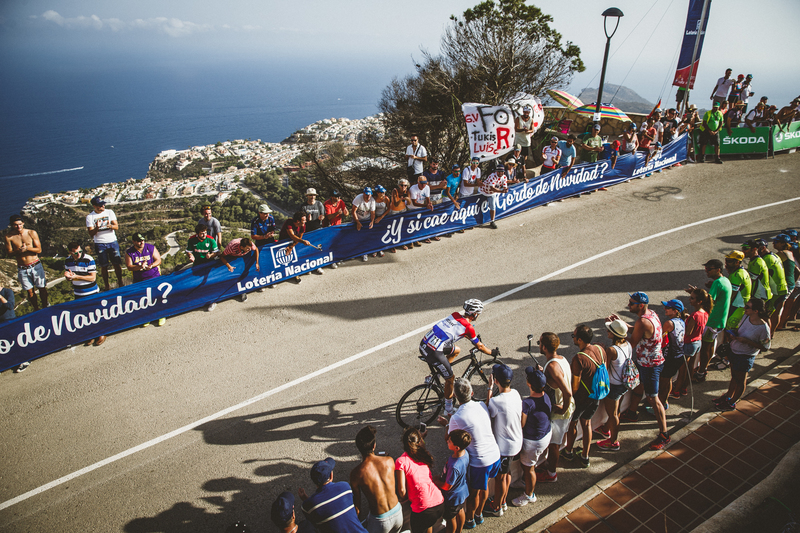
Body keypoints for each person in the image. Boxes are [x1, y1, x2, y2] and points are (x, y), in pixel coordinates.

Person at [420, 299, 495, 416]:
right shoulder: (468, 327)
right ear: (475, 314)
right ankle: (448, 409)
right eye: (478, 314)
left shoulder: (455, 315)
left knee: (457, 350)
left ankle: (437, 375)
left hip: (425, 343)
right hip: (434, 351)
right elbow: (479, 346)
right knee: (450, 379)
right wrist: (492, 352)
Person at [616, 292, 670, 450]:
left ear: (640, 305)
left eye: (631, 303)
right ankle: (632, 412)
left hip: (650, 365)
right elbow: (638, 330)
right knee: (638, 386)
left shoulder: (642, 321)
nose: (628, 305)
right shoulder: (651, 314)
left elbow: (631, 343)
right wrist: (624, 326)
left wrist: (617, 334)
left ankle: (664, 434)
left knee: (654, 399)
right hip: (647, 362)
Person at [445, 378, 501, 530]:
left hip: (480, 461)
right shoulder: (481, 405)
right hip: (495, 455)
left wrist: (446, 424)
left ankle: (470, 518)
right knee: (485, 487)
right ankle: (479, 514)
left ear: (455, 396)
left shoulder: (457, 417)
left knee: (474, 492)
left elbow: (449, 439)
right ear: (472, 392)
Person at [713, 298, 771, 412]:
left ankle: (731, 402)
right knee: (734, 376)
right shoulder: (746, 317)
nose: (745, 309)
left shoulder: (763, 328)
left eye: (748, 307)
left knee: (741, 380)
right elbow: (740, 329)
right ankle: (728, 396)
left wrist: (747, 341)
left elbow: (765, 347)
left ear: (756, 311)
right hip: (734, 350)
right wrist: (733, 333)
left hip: (745, 356)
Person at [561, 324, 605, 467]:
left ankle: (568, 451)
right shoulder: (599, 349)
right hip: (597, 393)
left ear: (580, 340)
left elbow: (575, 386)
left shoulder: (579, 358)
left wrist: (567, 400)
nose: (573, 338)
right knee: (587, 423)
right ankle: (585, 455)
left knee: (573, 423)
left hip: (582, 397)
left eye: (574, 336)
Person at [483, 364, 522, 517]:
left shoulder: (496, 401)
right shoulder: (516, 394)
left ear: (496, 380)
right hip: (517, 442)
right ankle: (503, 500)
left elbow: (487, 410)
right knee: (507, 473)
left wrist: (489, 389)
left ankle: (497, 506)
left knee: (500, 478)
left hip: (506, 447)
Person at [350, 426, 403, 533]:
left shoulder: (356, 474)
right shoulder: (389, 461)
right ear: (374, 446)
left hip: (380, 521)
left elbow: (357, 506)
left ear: (359, 448)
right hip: (397, 513)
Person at [687, 259, 732, 383]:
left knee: (705, 347)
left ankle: (701, 372)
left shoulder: (717, 283)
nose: (706, 271)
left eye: (709, 269)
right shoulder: (725, 280)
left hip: (712, 321)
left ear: (718, 270)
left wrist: (695, 294)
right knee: (710, 345)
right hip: (720, 320)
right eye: (706, 269)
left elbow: (708, 302)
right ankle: (704, 367)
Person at [537, 332, 573, 484]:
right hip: (565, 408)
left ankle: (551, 473)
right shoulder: (561, 359)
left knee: (554, 446)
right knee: (554, 444)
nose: (539, 345)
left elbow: (567, 392)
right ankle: (548, 465)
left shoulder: (552, 366)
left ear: (544, 347)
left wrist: (563, 409)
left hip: (559, 413)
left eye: (539, 343)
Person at [513, 367, 551, 508]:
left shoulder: (527, 404)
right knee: (529, 466)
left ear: (529, 384)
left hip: (533, 441)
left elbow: (521, 424)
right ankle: (525, 484)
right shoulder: (546, 395)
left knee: (529, 469)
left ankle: (529, 495)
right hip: (545, 435)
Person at [395, 428, 444, 533]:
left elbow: (402, 491)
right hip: (439, 503)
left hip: (423, 507)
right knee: (428, 524)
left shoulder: (401, 461)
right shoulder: (423, 455)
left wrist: (403, 498)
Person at [300, 457, 368, 533]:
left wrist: (305, 499)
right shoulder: (345, 487)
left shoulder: (307, 506)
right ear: (331, 476)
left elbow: (315, 521)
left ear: (314, 482)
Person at [595, 318, 632, 451]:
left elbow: (603, 366)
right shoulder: (627, 344)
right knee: (616, 411)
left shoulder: (612, 350)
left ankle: (613, 441)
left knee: (613, 414)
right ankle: (606, 428)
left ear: (614, 334)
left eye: (609, 330)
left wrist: (601, 351)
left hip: (614, 386)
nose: (607, 332)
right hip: (624, 383)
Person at [64, 241, 106, 346]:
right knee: (85, 315)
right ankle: (91, 335)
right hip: (78, 293)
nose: (78, 254)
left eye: (80, 251)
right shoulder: (67, 261)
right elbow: (70, 277)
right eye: (75, 253)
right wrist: (68, 277)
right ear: (70, 252)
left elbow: (92, 278)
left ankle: (102, 333)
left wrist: (76, 277)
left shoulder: (89, 259)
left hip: (91, 292)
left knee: (96, 313)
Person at [4, 215, 48, 311]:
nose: (19, 227)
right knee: (30, 292)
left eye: (20, 224)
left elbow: (39, 250)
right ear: (12, 225)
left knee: (42, 288)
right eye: (15, 225)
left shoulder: (31, 233)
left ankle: (45, 307)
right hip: (22, 268)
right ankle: (36, 309)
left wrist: (27, 248)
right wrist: (19, 251)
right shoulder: (9, 237)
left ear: (23, 223)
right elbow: (9, 253)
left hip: (35, 265)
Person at [673, 289, 710, 398]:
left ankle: (676, 390)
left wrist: (684, 319)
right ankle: (684, 387)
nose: (690, 299)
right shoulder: (704, 312)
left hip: (689, 343)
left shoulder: (694, 316)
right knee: (690, 367)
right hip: (698, 342)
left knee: (683, 369)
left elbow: (688, 332)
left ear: (700, 301)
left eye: (692, 298)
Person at [125, 233, 166, 326]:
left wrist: (151, 265)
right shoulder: (129, 252)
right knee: (144, 299)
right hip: (139, 279)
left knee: (157, 296)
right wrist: (139, 267)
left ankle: (161, 315)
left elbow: (158, 260)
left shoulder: (150, 247)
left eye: (142, 240)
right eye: (139, 241)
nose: (141, 242)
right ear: (134, 242)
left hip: (153, 276)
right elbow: (129, 267)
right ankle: (148, 317)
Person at [434, 429, 471, 533]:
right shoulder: (465, 453)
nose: (447, 441)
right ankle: (459, 530)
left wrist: (436, 481)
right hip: (462, 491)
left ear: (456, 447)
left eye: (449, 441)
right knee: (460, 510)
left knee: (451, 519)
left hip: (452, 496)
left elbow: (447, 486)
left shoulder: (454, 466)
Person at [85, 196, 125, 291]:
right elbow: (91, 233)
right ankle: (107, 285)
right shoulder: (90, 217)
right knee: (104, 266)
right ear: (94, 206)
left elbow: (116, 227)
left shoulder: (110, 212)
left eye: (103, 204)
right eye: (100, 205)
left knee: (116, 263)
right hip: (100, 243)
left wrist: (110, 225)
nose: (103, 206)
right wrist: (97, 228)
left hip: (112, 241)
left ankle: (120, 282)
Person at [656, 299, 686, 408]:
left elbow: (659, 338)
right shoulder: (681, 321)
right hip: (678, 356)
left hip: (670, 358)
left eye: (668, 308)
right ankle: (665, 401)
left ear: (675, 311)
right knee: (668, 380)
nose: (665, 309)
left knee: (664, 382)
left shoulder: (669, 323)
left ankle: (660, 405)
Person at [756, 238, 788, 335]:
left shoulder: (766, 259)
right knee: (775, 314)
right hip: (781, 289)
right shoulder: (774, 255)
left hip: (776, 291)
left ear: (762, 248)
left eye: (756, 249)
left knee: (766, 315)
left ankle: (768, 337)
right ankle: (771, 335)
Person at [774, 234, 798, 331]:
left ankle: (773, 331)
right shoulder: (790, 253)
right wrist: (793, 283)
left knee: (777, 309)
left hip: (785, 284)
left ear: (783, 243)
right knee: (783, 307)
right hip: (791, 284)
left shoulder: (781, 254)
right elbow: (797, 271)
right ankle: (780, 325)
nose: (774, 243)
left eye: (776, 242)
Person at [478, 164, 508, 230]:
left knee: (492, 206)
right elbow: (492, 188)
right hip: (483, 191)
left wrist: (505, 189)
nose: (501, 173)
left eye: (502, 172)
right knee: (478, 206)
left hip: (491, 193)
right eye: (500, 171)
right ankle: (477, 221)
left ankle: (492, 221)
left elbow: (505, 186)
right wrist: (502, 191)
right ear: (497, 172)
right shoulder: (492, 176)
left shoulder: (504, 177)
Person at [353, 187, 377, 262]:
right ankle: (355, 252)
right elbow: (353, 211)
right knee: (357, 235)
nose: (368, 196)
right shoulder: (358, 198)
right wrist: (357, 222)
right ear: (363, 194)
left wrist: (372, 221)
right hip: (357, 218)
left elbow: (373, 212)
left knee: (366, 236)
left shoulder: (372, 200)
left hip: (367, 219)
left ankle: (365, 252)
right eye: (366, 195)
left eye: (370, 195)